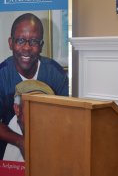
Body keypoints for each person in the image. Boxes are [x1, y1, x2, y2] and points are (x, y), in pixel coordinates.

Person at [0, 13, 69, 160]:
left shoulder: (56, 75)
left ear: (41, 45)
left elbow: (66, 120)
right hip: (7, 153)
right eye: (20, 40)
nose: (26, 48)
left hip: (49, 146)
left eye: (34, 41)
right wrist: (21, 142)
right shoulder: (2, 75)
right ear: (10, 43)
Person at [3, 80, 55, 162]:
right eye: (33, 105)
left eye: (45, 107)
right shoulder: (8, 134)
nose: (39, 114)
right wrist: (20, 141)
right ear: (17, 109)